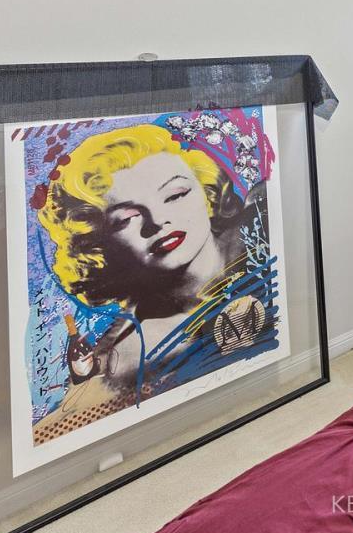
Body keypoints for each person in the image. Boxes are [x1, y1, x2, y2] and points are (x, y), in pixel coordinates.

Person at [30, 113, 277, 443]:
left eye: (175, 195)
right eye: (126, 220)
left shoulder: (262, 229)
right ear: (98, 245)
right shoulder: (122, 361)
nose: (158, 220)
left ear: (206, 193)